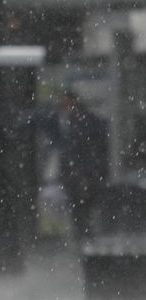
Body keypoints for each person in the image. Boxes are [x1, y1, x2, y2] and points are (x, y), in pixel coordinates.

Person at [54, 92, 111, 241]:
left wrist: (84, 177)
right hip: (83, 178)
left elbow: (84, 153)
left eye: (65, 105)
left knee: (82, 216)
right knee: (84, 216)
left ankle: (87, 245)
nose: (63, 109)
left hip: (83, 179)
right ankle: (87, 243)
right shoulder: (81, 121)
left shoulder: (80, 122)